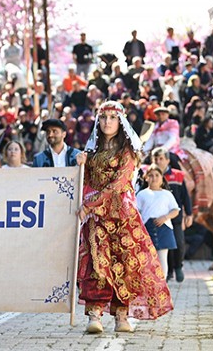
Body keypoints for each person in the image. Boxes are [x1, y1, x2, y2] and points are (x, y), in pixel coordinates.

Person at [76, 101, 173, 334]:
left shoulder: (127, 152)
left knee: (124, 264)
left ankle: (121, 315)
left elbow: (119, 183)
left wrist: (91, 204)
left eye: (112, 117)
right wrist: (81, 165)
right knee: (95, 264)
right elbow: (86, 181)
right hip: (96, 217)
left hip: (122, 214)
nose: (107, 121)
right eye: (103, 117)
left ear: (120, 122)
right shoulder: (92, 152)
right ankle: (95, 315)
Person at [151, 147, 192, 282]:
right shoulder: (151, 176)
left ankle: (179, 266)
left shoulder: (178, 175)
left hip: (175, 215)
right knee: (164, 245)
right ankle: (167, 273)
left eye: (161, 158)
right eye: (155, 159)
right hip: (158, 217)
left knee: (179, 243)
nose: (158, 161)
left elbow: (185, 196)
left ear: (168, 160)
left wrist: (189, 214)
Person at [136, 165, 180, 279]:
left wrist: (165, 217)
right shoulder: (141, 194)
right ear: (146, 178)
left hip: (164, 228)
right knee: (147, 258)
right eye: (151, 175)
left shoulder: (167, 194)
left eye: (157, 175)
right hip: (147, 229)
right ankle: (149, 284)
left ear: (162, 178)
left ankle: (162, 284)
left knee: (162, 258)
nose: (154, 178)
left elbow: (175, 210)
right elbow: (136, 211)